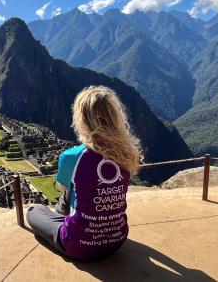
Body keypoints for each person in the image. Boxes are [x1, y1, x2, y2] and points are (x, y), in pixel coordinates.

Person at [27, 85, 142, 262]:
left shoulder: (72, 157)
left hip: (80, 246)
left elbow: (63, 187)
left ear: (82, 119)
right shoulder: (127, 154)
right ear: (115, 117)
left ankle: (61, 221)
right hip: (117, 239)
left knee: (34, 212)